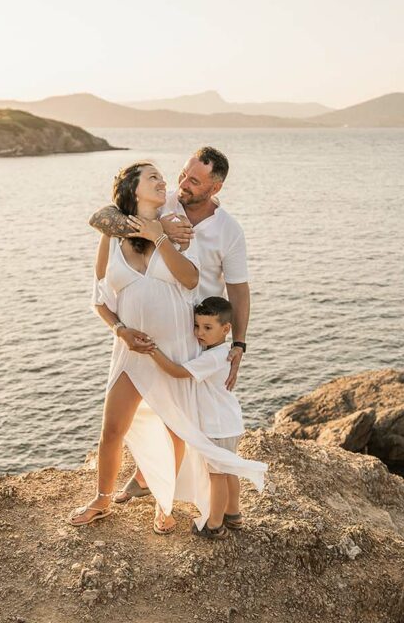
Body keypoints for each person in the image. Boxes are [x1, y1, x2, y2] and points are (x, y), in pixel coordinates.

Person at [69, 161, 265, 533]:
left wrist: (161, 234)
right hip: (130, 349)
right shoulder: (114, 233)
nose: (169, 181)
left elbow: (192, 279)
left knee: (176, 429)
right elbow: (98, 297)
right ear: (133, 189)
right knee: (113, 428)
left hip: (175, 345)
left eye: (169, 177)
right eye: (154, 177)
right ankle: (102, 498)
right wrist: (121, 330)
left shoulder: (177, 228)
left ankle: (164, 501)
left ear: (214, 187)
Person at [148, 296, 247, 539]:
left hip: (218, 427)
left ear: (226, 329)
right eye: (196, 326)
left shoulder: (212, 357)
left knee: (217, 476)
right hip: (229, 423)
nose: (199, 333)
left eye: (207, 328)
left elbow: (177, 371)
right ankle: (233, 514)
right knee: (228, 469)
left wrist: (152, 350)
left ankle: (214, 524)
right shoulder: (220, 351)